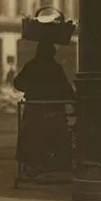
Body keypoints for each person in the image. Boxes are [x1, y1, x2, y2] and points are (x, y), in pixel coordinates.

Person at [13, 42, 75, 175]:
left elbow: (17, 82)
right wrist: (74, 102)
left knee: (32, 135)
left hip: (34, 107)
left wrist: (32, 88)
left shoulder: (31, 65)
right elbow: (65, 87)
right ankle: (54, 164)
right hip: (54, 108)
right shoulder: (56, 67)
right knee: (55, 135)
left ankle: (32, 164)